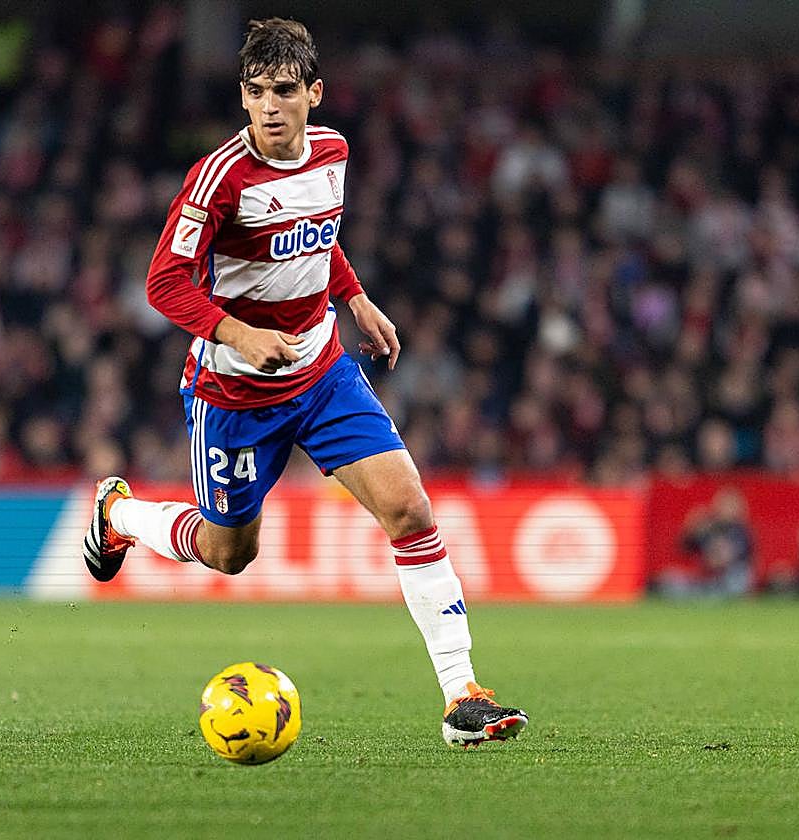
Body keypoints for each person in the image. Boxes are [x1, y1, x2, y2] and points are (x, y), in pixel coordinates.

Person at [81, 18, 527, 747]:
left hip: (322, 373)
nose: (270, 107)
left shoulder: (333, 153)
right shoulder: (218, 179)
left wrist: (354, 297)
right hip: (235, 394)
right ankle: (120, 516)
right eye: (257, 92)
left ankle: (462, 697)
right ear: (243, 96)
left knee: (409, 508)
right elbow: (164, 282)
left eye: (285, 91)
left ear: (313, 93)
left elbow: (318, 234)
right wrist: (237, 333)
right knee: (230, 553)